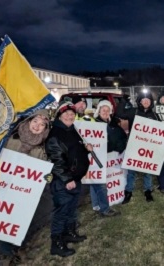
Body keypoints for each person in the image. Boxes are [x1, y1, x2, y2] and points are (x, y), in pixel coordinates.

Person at [0, 109, 51, 264]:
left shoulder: (43, 147)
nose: (37, 126)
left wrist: (47, 177)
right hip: (5, 187)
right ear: (28, 122)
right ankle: (6, 251)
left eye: (42, 124)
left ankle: (16, 246)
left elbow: (43, 169)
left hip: (25, 191)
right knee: (2, 218)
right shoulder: (10, 139)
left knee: (20, 219)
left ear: (45, 128)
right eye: (35, 121)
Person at [45, 102, 93, 257]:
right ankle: (56, 244)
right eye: (66, 114)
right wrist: (66, 179)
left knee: (71, 209)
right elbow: (56, 161)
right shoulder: (56, 134)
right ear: (60, 115)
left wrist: (86, 150)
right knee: (61, 212)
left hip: (75, 179)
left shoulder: (71, 130)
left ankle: (69, 233)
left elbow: (74, 152)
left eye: (72, 114)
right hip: (63, 182)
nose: (70, 116)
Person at [116, 91, 160, 203]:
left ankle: (148, 191)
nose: (146, 102)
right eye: (143, 100)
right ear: (139, 101)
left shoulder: (154, 115)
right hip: (134, 146)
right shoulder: (133, 112)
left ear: (151, 102)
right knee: (131, 171)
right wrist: (123, 101)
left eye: (148, 100)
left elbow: (160, 131)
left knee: (147, 171)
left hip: (148, 148)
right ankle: (129, 192)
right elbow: (119, 114)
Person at [89, 100, 127, 216]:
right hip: (99, 158)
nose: (105, 112)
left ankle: (105, 202)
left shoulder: (113, 124)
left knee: (106, 180)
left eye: (108, 110)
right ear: (98, 111)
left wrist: (119, 148)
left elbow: (121, 137)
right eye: (103, 110)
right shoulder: (94, 124)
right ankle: (98, 205)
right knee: (97, 181)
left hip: (112, 157)